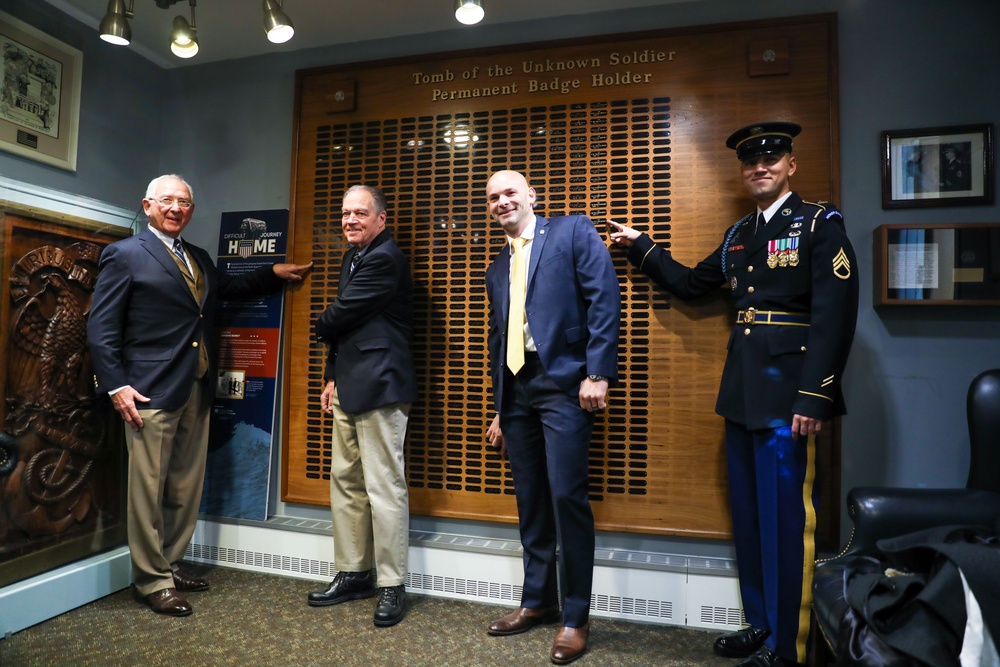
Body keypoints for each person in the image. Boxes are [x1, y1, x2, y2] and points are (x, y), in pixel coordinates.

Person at [608, 122, 859, 667]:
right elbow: (692, 285)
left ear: (791, 164)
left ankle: (788, 649)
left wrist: (815, 397)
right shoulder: (740, 234)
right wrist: (641, 247)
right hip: (742, 394)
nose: (760, 167)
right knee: (748, 517)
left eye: (771, 158)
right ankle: (761, 625)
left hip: (790, 399)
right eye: (750, 162)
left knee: (788, 523)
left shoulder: (820, 223)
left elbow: (835, 318)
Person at [87, 174, 312, 617]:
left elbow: (226, 288)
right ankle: (151, 581)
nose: (176, 208)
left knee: (186, 487)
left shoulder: (198, 258)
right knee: (147, 491)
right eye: (167, 200)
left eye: (185, 202)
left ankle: (169, 565)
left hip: (196, 386)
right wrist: (115, 385)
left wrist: (272, 273)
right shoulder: (125, 254)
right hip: (147, 392)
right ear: (147, 205)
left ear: (191, 211)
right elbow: (101, 327)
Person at [483, 170, 621, 665]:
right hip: (517, 390)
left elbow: (604, 298)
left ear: (531, 196)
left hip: (565, 384)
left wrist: (599, 373)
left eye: (510, 193)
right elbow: (500, 338)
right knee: (531, 499)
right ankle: (537, 601)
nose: (502, 202)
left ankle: (575, 617)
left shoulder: (570, 231)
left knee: (566, 497)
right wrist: (501, 406)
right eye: (493, 197)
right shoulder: (498, 266)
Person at [307, 185, 417, 628]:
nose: (350, 220)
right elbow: (344, 330)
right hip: (350, 384)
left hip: (383, 386)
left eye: (360, 213)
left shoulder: (386, 258)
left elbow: (339, 315)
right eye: (346, 213)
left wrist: (321, 321)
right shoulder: (352, 257)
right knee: (347, 481)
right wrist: (331, 375)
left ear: (380, 219)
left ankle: (392, 584)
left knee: (383, 487)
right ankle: (354, 573)